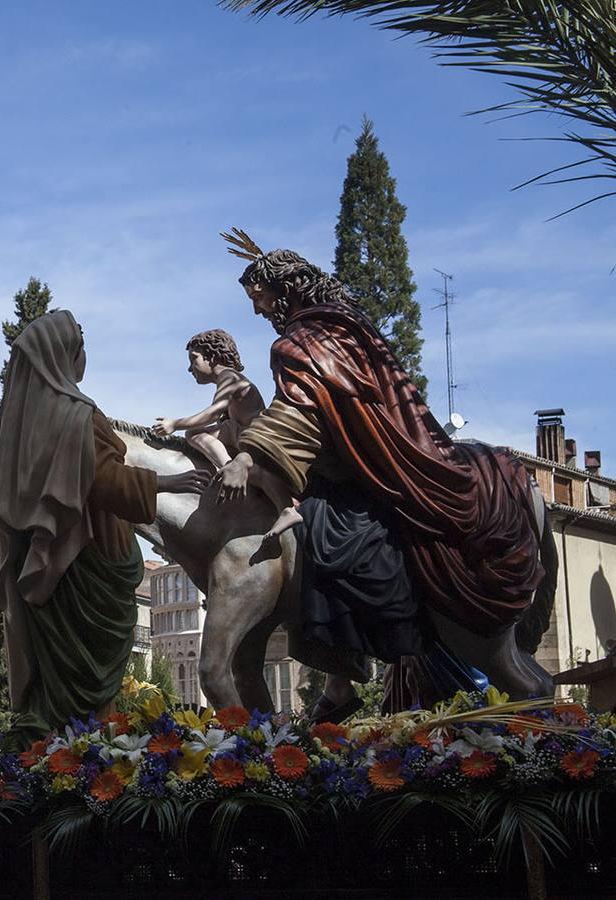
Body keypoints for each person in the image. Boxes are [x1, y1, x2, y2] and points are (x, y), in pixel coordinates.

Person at [215, 235, 544, 715]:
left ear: (284, 288)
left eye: (259, 296)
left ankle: (340, 681)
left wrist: (247, 456)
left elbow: (300, 410)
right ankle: (338, 686)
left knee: (320, 541)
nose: (257, 309)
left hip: (365, 474)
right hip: (371, 462)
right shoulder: (346, 327)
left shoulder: (302, 343)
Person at [0, 310, 210, 743]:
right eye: (80, 345)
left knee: (58, 667)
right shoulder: (74, 415)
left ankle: (55, 751)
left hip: (49, 569)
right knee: (86, 672)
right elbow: (102, 479)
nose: (84, 355)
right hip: (87, 563)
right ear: (65, 355)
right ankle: (83, 761)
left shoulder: (23, 426)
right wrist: (169, 483)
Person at [153, 328, 302, 539]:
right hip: (237, 430)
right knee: (195, 434)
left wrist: (175, 424)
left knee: (254, 471)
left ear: (211, 357)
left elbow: (212, 414)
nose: (190, 368)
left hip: (253, 436)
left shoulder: (229, 377)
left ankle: (287, 508)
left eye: (194, 359)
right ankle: (226, 466)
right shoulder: (228, 379)